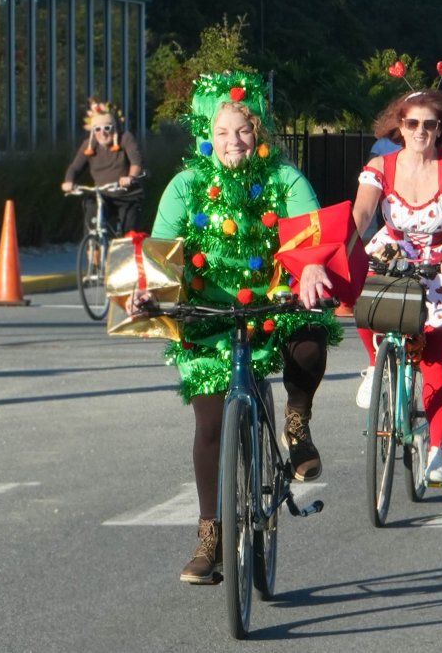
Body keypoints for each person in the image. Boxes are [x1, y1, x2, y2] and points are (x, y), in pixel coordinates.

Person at [130, 71, 342, 585]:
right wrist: (150, 294)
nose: (233, 142)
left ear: (259, 131)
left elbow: (308, 231)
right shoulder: (186, 185)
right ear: (209, 132)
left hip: (272, 302)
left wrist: (312, 266)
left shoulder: (283, 179)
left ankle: (296, 423)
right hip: (206, 314)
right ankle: (211, 535)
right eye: (223, 132)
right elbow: (162, 253)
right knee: (208, 426)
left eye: (243, 131)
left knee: (310, 342)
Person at [351, 89, 442, 485]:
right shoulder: (380, 165)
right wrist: (345, 248)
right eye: (412, 123)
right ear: (398, 127)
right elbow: (363, 212)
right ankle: (374, 366)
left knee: (436, 363)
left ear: (441, 129)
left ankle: (437, 451)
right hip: (391, 252)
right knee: (363, 298)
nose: (420, 131)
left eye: (429, 124)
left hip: (439, 260)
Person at [61, 98, 144, 234]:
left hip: (127, 195)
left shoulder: (125, 138)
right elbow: (75, 167)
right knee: (91, 215)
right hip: (103, 196)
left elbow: (136, 162)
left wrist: (130, 177)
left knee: (129, 236)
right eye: (97, 129)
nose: (102, 132)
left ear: (114, 127)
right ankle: (93, 248)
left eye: (107, 128)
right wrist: (69, 181)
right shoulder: (89, 145)